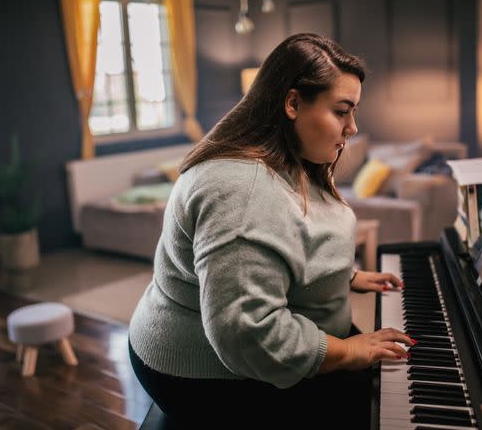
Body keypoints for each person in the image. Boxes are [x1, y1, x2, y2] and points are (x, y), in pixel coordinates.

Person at [128, 33, 413, 429]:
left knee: (371, 363)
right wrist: (347, 353)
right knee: (371, 395)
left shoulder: (286, 156)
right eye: (342, 111)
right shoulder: (241, 193)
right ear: (293, 103)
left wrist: (347, 276)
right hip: (202, 374)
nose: (352, 127)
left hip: (243, 345)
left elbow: (290, 240)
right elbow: (246, 332)